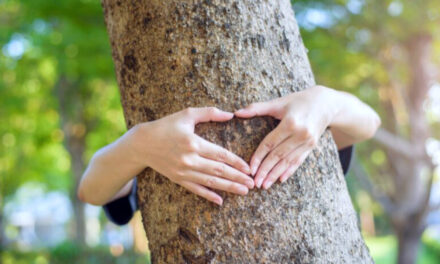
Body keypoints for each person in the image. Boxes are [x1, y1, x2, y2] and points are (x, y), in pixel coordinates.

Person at [77, 85, 381, 225]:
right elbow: (93, 190)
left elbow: (367, 124)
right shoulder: (166, 155)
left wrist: (326, 101)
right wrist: (138, 143)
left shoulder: (299, 137)